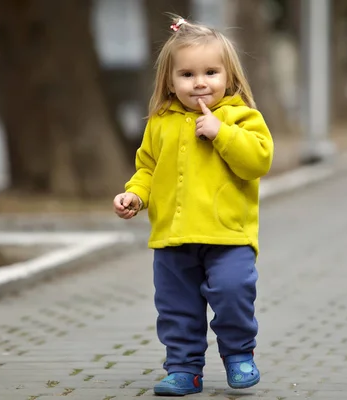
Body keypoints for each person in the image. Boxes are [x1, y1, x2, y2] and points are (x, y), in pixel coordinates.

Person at [113, 15, 273, 396]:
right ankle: (184, 369)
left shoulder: (241, 117)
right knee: (177, 309)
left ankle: (238, 355)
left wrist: (222, 134)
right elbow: (147, 168)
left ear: (229, 76)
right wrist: (135, 195)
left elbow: (258, 160)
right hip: (172, 237)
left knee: (234, 293)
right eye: (187, 74)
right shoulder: (160, 122)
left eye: (211, 72)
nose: (200, 82)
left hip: (228, 235)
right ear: (170, 81)